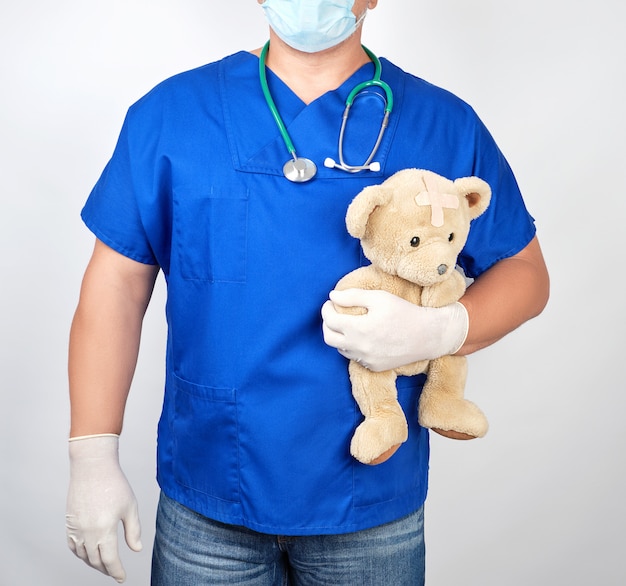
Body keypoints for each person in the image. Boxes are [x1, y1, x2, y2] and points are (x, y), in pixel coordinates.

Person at [65, 1, 550, 584]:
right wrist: (91, 455)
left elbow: (525, 273)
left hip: (370, 504)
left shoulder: (441, 123)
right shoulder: (173, 115)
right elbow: (116, 285)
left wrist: (441, 331)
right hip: (210, 494)